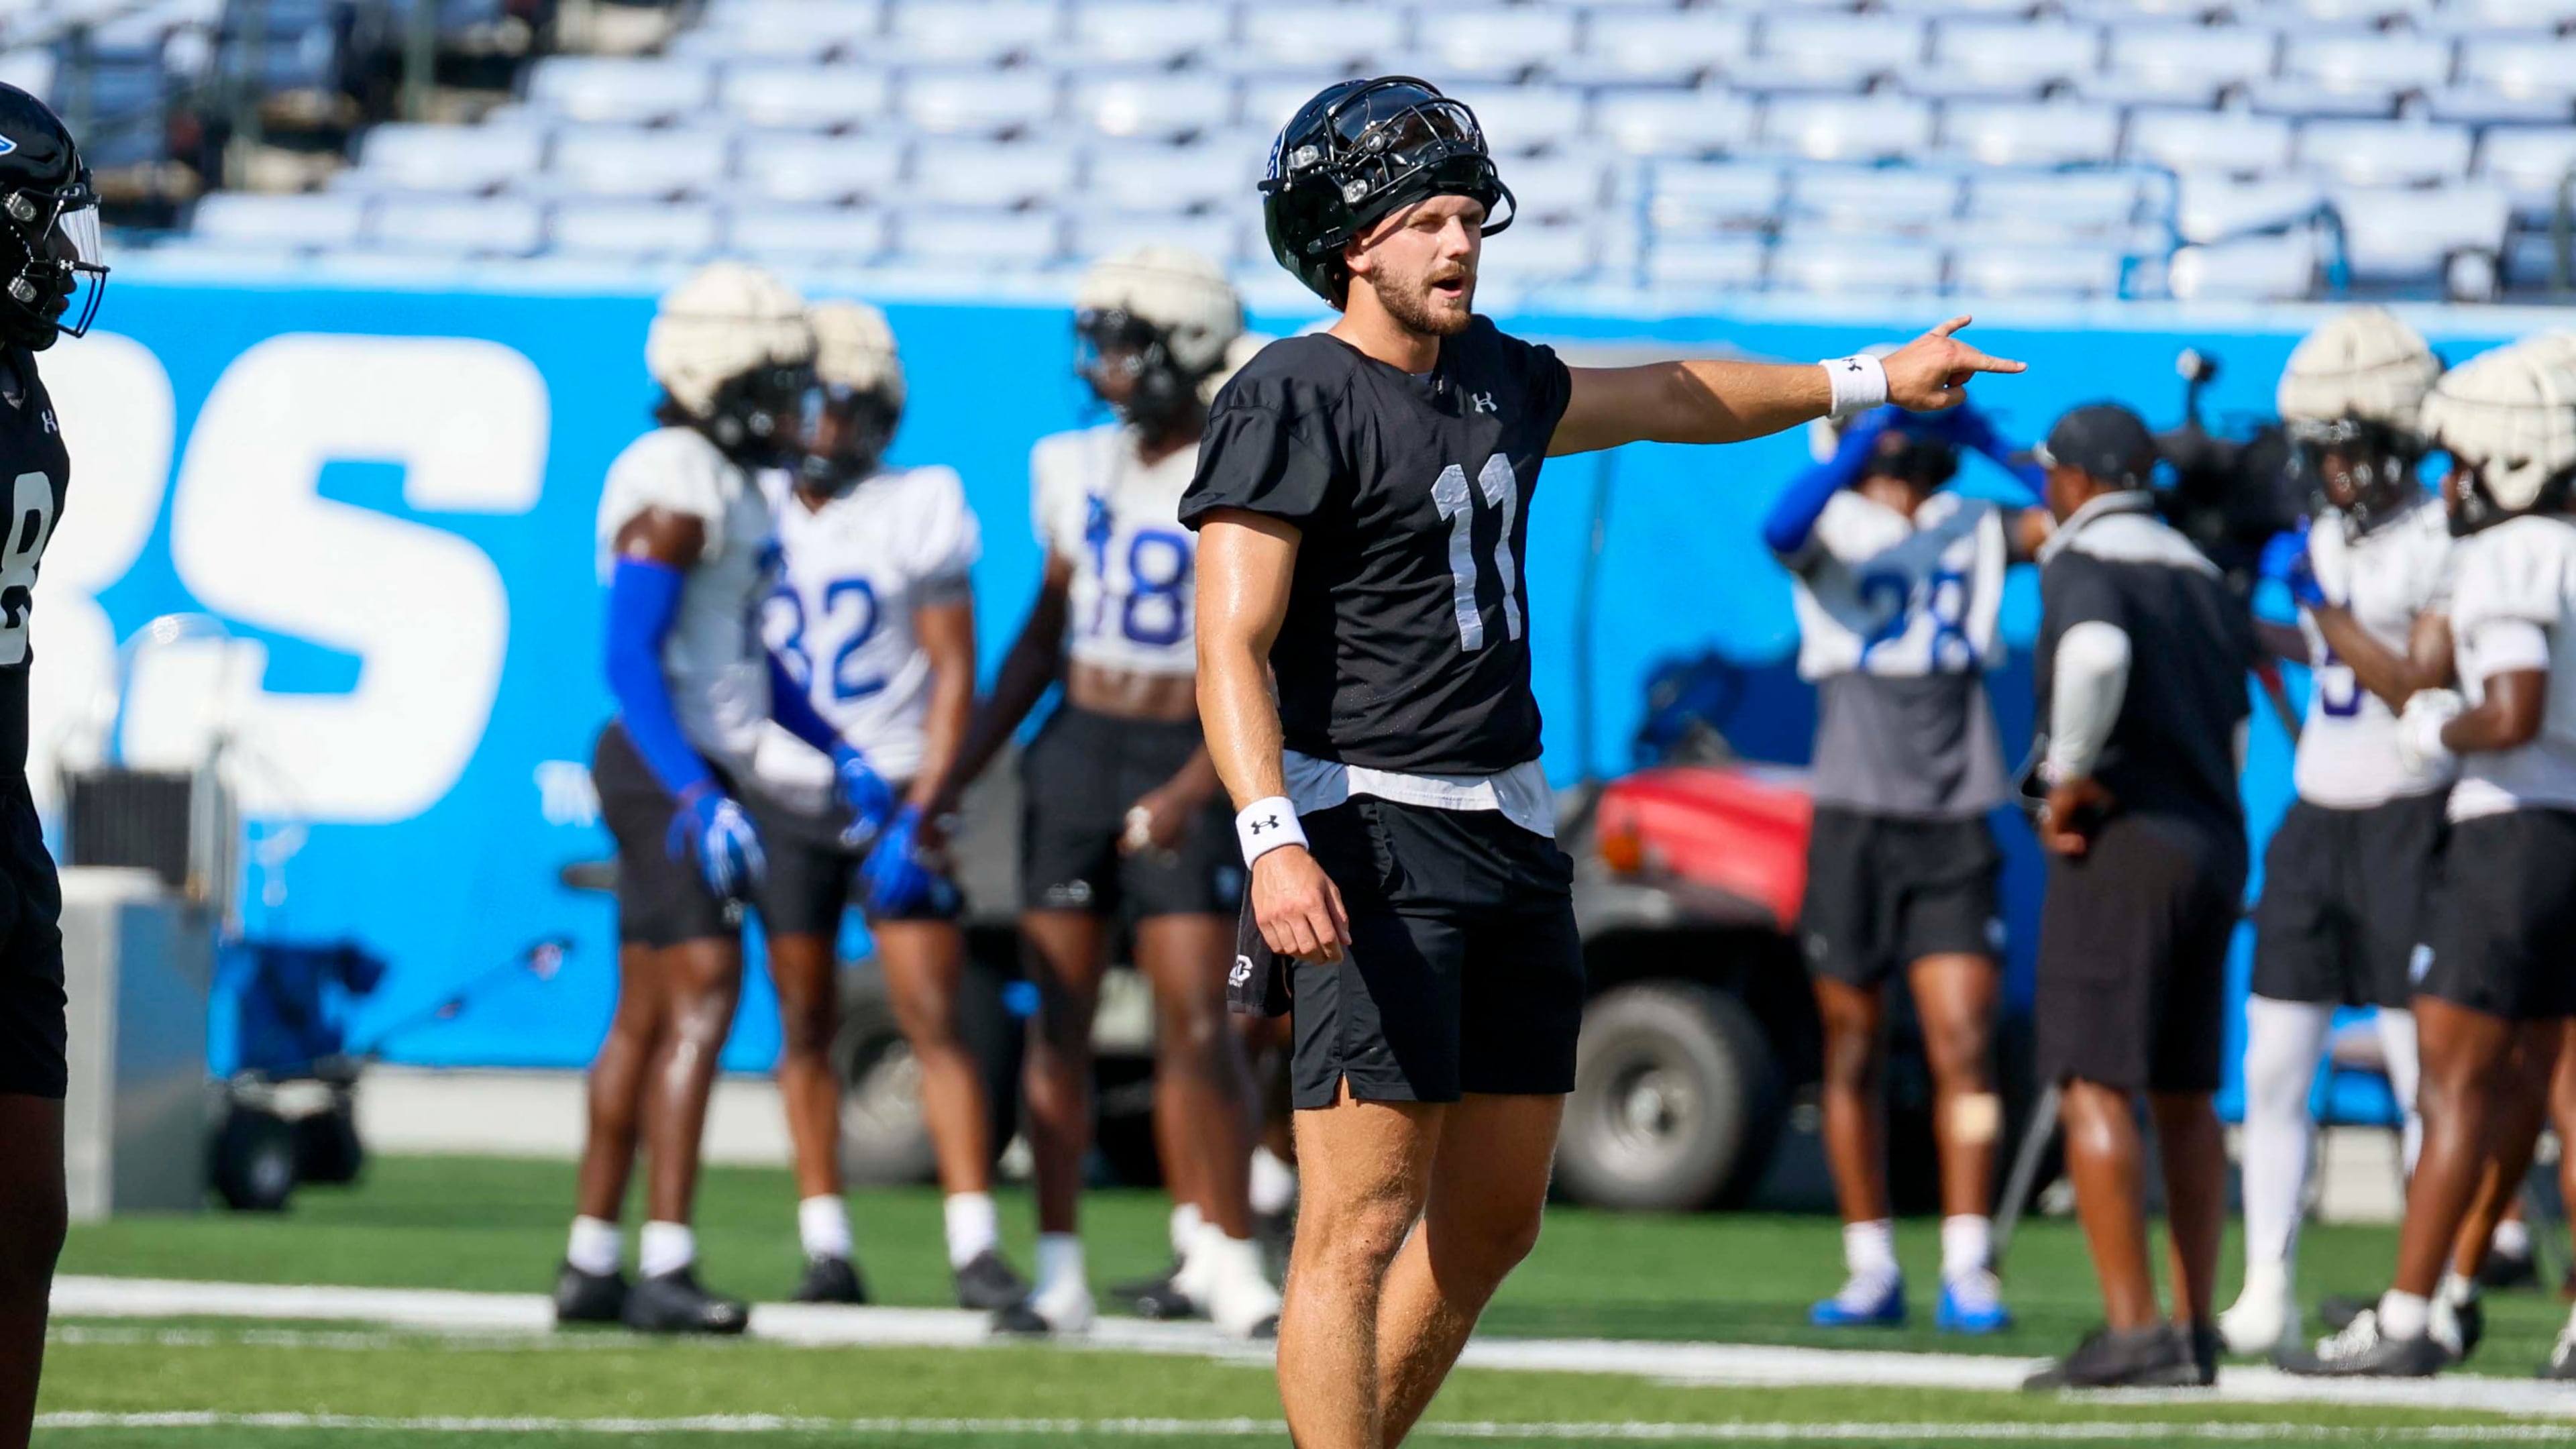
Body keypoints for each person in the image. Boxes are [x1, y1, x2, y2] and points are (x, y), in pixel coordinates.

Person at [1185, 76, 2021, 1449]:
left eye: (1468, 215)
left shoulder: (1499, 377)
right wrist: (1272, 833)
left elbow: (1677, 396)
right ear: (1352, 241)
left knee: (1498, 1222)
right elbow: (1233, 642)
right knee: (1359, 1222)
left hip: (1509, 836)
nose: (1458, 243)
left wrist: (1866, 378)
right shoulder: (1290, 391)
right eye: (1425, 220)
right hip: (1366, 836)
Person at [938, 247, 1280, 1340]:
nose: (1106, 363)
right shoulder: (1072, 464)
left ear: (1185, 348)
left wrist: (1195, 785)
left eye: (1129, 340)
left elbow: (1262, 653)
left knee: (1198, 1017)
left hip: (1186, 738)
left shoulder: (1245, 460)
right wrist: (955, 776)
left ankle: (1226, 1255)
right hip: (1076, 749)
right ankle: (1059, 1266)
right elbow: (1042, 635)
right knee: (1061, 1022)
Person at [555, 264, 898, 1334]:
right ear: (713, 375)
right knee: (701, 993)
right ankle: (664, 1261)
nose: (791, 408)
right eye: (772, 383)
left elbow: (745, 658)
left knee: (647, 1014)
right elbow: (630, 659)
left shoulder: (721, 475)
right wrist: (699, 794)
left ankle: (592, 1259)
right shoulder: (678, 480)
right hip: (665, 764)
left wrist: (832, 743)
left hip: (686, 762)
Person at [2284, 340, 2576, 1379]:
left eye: (2463, 462)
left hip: (2511, 836)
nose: (2447, 482)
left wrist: (2441, 729)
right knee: (2565, 1089)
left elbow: (2514, 709)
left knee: (2455, 1089)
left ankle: (2412, 1316)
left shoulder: (2513, 554)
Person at [739, 300, 1028, 1309]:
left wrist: (925, 807)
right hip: (785, 789)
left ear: (879, 411)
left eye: (840, 403)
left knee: (932, 1015)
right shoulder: (748, 500)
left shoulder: (920, 502)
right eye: (806, 403)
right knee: (806, 1015)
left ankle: (973, 1243)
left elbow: (957, 673)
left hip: (900, 781)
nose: (819, 425)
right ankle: (826, 1239)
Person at [1761, 400, 2048, 1335]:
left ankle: (1969, 1262)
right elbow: (1780, 527)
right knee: (1850, 1048)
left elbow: (2081, 512)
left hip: (1955, 812)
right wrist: (1856, 443)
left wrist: (1991, 444)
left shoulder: (1974, 525)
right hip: (1853, 814)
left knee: (1963, 1045)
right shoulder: (1832, 516)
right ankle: (1870, 1262)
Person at [2218, 309, 2452, 1356]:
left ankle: (2428, 1289)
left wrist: (2323, 610)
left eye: (2342, 451)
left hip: (2412, 818)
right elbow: (2320, 654)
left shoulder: (2444, 537)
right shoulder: (2322, 537)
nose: (2328, 474)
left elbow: (2409, 681)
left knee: (2420, 1070)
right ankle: (2265, 1277)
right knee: (2275, 1061)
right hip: (2317, 820)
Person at [2019, 403, 2253, 1391]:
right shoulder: (2202, 574)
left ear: (2075, 479)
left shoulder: (2085, 560)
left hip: (2127, 842)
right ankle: (2196, 1328)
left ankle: (2134, 1330)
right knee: (2187, 1093)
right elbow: (2236, 723)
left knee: (2095, 1077)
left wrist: (2059, 777)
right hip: (2212, 838)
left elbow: (2097, 657)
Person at [0, 83, 105, 1449]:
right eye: (40, 224)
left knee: (27, 1212)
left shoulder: (19, 379)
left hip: (4, 832)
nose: (62, 256)